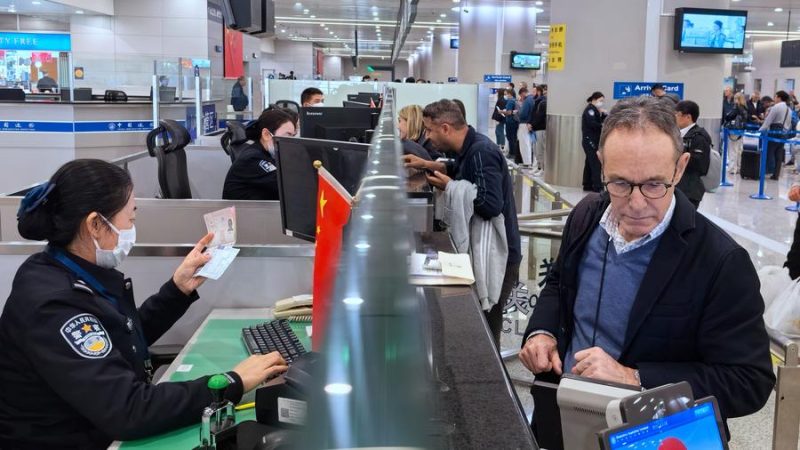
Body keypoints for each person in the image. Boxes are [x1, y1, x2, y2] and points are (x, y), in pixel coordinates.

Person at [519, 96, 774, 439]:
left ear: (680, 168)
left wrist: (634, 378)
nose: (636, 204)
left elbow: (748, 381)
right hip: (561, 417)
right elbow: (558, 283)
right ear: (600, 163)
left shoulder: (720, 261)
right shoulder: (586, 217)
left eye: (654, 184)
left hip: (655, 433)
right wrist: (543, 332)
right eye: (620, 183)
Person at [0, 160, 288, 448]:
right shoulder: (54, 305)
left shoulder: (73, 272)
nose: (132, 229)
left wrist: (177, 290)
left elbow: (121, 338)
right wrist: (233, 381)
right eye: (130, 219)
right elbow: (128, 410)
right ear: (95, 225)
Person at [403, 99, 521, 346]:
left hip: (498, 257)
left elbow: (490, 204)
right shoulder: (470, 150)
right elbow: (461, 169)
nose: (428, 136)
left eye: (430, 130)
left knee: (486, 330)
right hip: (486, 252)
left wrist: (450, 187)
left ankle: (489, 379)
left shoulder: (482, 151)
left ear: (445, 128)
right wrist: (427, 164)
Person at [223, 109, 297, 200]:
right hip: (244, 213)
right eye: (287, 135)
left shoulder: (267, 154)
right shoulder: (253, 159)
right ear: (266, 134)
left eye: (293, 136)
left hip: (260, 211)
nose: (291, 141)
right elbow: (288, 186)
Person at [674, 100, 712, 208]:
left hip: (690, 190)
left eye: (678, 114)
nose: (675, 117)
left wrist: (676, 156)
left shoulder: (699, 137)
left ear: (688, 117)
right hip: (679, 186)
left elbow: (700, 164)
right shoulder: (679, 134)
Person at [760, 91, 793, 180]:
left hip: (774, 132)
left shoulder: (776, 107)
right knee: (778, 154)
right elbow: (789, 124)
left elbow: (768, 120)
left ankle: (766, 171)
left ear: (779, 97)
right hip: (784, 133)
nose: (774, 99)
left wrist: (761, 130)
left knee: (769, 152)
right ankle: (776, 175)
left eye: (775, 97)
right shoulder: (789, 109)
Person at [581, 91, 607, 192]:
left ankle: (587, 184)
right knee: (596, 163)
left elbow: (598, 121)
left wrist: (603, 115)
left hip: (592, 140)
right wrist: (602, 126)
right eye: (600, 100)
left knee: (589, 162)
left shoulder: (595, 110)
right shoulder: (590, 110)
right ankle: (598, 186)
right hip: (590, 141)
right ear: (594, 99)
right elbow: (592, 124)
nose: (602, 103)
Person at [724, 92, 748, 175]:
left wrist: (727, 116)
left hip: (734, 131)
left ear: (737, 99)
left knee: (732, 150)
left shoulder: (736, 107)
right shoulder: (745, 107)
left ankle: (732, 168)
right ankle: (738, 167)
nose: (734, 100)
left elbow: (729, 116)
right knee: (739, 150)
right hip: (741, 131)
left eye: (735, 98)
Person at [529, 85, 547, 176]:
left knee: (541, 149)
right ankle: (538, 167)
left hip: (541, 129)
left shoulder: (543, 102)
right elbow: (534, 115)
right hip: (535, 129)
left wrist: (532, 124)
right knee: (536, 149)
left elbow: (539, 116)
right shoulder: (538, 101)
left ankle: (542, 168)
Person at [502, 89, 521, 164]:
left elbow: (509, 112)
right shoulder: (515, 100)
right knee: (514, 137)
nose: (505, 96)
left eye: (506, 94)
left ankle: (512, 153)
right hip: (515, 121)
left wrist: (502, 111)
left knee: (510, 137)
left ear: (510, 94)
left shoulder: (510, 101)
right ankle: (514, 153)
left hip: (510, 122)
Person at [517, 87, 535, 166]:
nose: (521, 97)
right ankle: (529, 162)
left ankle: (527, 163)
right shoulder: (533, 99)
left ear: (523, 93)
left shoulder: (527, 100)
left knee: (524, 144)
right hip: (530, 123)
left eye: (521, 95)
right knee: (529, 143)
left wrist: (518, 112)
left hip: (524, 124)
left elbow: (522, 114)